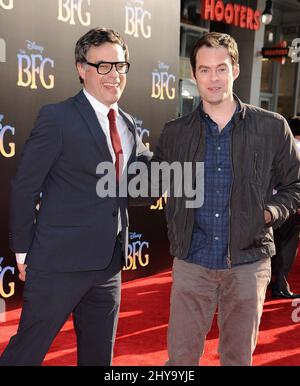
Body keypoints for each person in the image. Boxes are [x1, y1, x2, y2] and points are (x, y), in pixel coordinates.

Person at [0, 27, 151, 366]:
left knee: (99, 358)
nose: (114, 75)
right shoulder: (58, 117)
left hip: (109, 264)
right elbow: (25, 186)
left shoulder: (126, 123)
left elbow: (137, 185)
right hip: (58, 264)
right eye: (103, 66)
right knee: (25, 354)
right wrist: (23, 253)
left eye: (120, 66)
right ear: (81, 69)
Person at [152, 32, 300, 366]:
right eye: (204, 70)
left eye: (221, 68)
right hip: (192, 261)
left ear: (235, 69)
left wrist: (269, 213)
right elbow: (151, 183)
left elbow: (296, 184)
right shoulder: (176, 133)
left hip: (248, 263)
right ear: (194, 75)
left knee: (237, 358)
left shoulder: (271, 127)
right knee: (180, 360)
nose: (213, 78)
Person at [271, 116, 300, 299]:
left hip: (273, 203)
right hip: (292, 205)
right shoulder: (297, 149)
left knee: (273, 243)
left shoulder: (277, 146)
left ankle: (269, 282)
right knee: (288, 245)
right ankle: (280, 286)